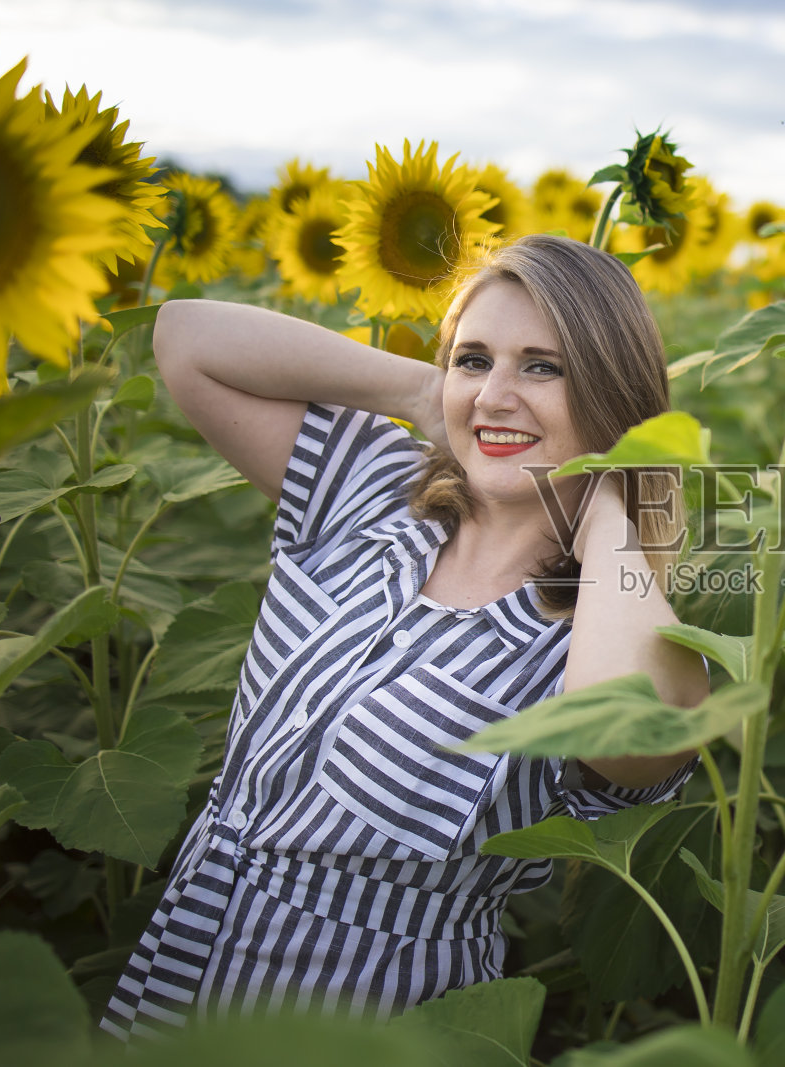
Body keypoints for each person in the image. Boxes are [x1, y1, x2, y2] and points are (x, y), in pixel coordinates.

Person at [100, 234, 705, 1039]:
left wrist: (604, 506)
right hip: (175, 983)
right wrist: (433, 393)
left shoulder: (595, 625)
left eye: (542, 366)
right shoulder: (374, 491)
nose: (497, 394)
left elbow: (628, 724)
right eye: (476, 356)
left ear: (617, 398)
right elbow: (185, 337)